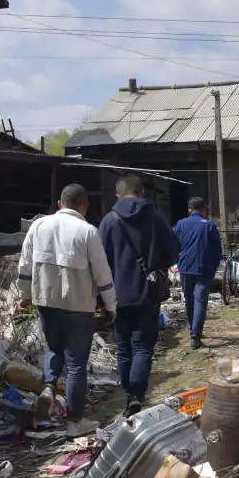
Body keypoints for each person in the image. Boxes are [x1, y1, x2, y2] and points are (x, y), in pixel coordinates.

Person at [18, 184, 116, 427]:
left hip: (46, 301)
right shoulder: (88, 231)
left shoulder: (38, 226)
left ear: (60, 204)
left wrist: (25, 295)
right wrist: (110, 305)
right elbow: (102, 273)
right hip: (78, 305)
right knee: (76, 365)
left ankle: (49, 387)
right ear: (84, 206)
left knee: (53, 348)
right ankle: (74, 420)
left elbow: (25, 264)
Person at [99, 174, 178, 410]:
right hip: (147, 293)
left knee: (123, 348)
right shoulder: (155, 217)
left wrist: (99, 297)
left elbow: (99, 262)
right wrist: (156, 264)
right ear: (142, 192)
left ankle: (129, 393)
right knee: (142, 346)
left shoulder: (109, 221)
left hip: (116, 296)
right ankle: (136, 394)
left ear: (118, 194)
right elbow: (173, 251)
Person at [174, 197, 222, 349]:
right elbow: (217, 251)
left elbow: (173, 244)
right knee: (200, 301)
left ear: (189, 209)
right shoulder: (209, 225)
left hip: (185, 268)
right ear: (204, 209)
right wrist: (213, 269)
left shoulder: (180, 224)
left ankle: (192, 329)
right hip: (203, 268)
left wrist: (177, 260)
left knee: (189, 300)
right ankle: (196, 336)